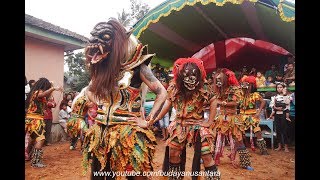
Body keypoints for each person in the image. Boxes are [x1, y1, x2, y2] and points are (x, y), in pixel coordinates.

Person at [73, 19, 167, 179]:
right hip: (101, 133)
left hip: (128, 133)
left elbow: (162, 93)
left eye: (106, 37)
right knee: (100, 174)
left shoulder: (138, 68)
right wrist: (96, 104)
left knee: (136, 175)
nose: (97, 43)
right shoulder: (102, 70)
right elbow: (89, 91)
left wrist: (148, 121)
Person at [149, 58, 220, 179]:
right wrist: (155, 118)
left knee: (207, 156)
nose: (190, 78)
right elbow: (167, 103)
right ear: (181, 75)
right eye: (186, 75)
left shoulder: (204, 86)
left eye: (194, 75)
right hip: (179, 126)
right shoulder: (174, 87)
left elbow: (214, 100)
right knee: (174, 154)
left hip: (198, 126)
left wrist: (209, 122)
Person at [211, 68, 253, 170]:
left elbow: (237, 103)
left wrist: (221, 103)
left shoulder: (235, 89)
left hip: (233, 118)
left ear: (226, 78)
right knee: (214, 137)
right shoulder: (218, 89)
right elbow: (213, 100)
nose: (218, 81)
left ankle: (245, 163)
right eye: (217, 80)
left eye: (220, 79)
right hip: (220, 118)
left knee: (239, 139)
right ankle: (210, 159)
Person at [25, 78, 62, 167]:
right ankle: (36, 162)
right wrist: (53, 88)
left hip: (30, 119)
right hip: (35, 121)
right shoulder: (38, 92)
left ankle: (28, 155)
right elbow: (42, 95)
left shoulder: (33, 92)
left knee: (32, 139)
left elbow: (46, 98)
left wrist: (52, 89)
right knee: (41, 139)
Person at [238, 76, 268, 155]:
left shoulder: (255, 95)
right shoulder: (240, 94)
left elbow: (263, 102)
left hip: (252, 116)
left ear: (251, 86)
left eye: (247, 84)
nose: (245, 86)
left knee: (257, 130)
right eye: (243, 84)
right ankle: (243, 147)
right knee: (238, 130)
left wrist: (259, 112)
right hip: (241, 115)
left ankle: (263, 149)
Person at [269, 83, 290, 152]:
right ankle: (279, 146)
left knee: (285, 130)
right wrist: (276, 108)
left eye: (281, 87)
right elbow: (272, 105)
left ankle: (286, 146)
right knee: (278, 130)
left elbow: (287, 103)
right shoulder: (274, 96)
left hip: (284, 114)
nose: (279, 89)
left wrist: (284, 95)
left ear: (283, 88)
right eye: (278, 87)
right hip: (277, 115)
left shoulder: (287, 96)